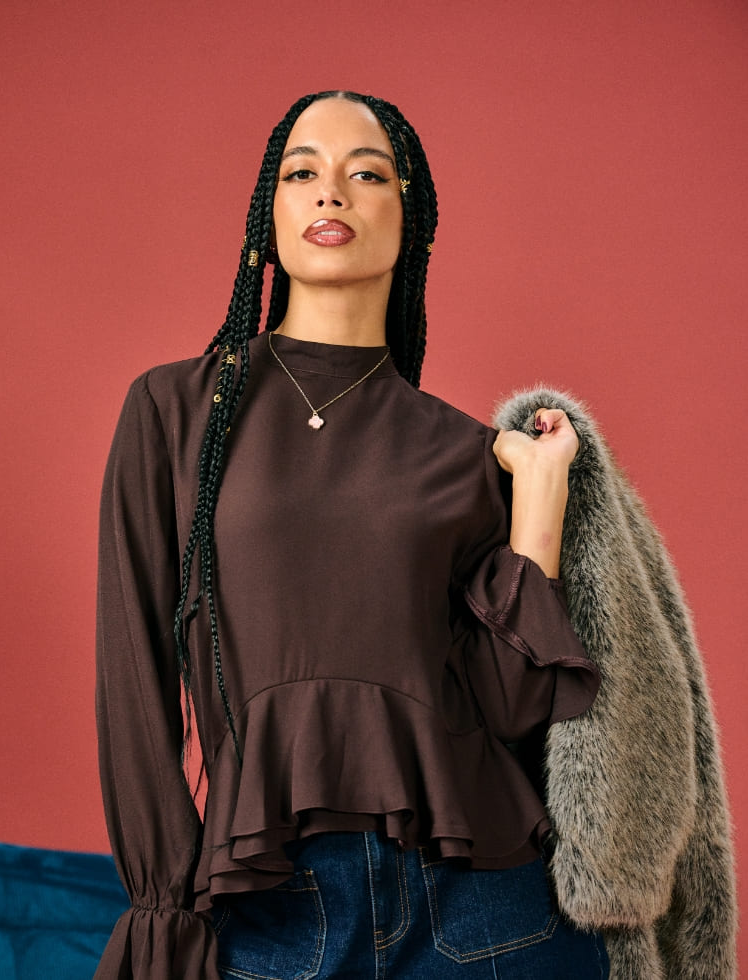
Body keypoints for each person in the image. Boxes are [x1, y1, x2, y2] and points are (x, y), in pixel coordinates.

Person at [95, 91, 735, 980]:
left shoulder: (466, 451)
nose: (331, 193)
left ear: (413, 223)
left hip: (484, 916)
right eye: (302, 173)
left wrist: (539, 496)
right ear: (266, 217)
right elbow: (134, 683)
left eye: (367, 175)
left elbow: (510, 704)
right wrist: (166, 909)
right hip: (274, 912)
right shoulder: (175, 411)